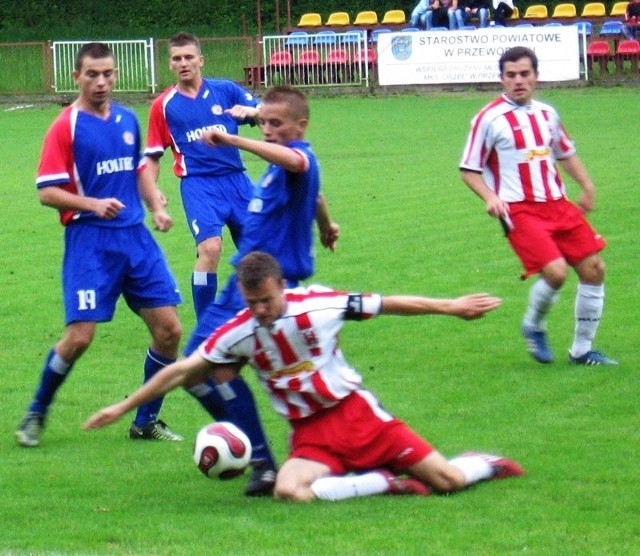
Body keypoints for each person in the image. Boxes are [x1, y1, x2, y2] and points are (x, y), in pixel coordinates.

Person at [84, 251, 524, 502]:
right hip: (311, 434)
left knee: (446, 481)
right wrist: (124, 406)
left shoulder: (318, 304)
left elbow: (386, 303)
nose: (260, 310)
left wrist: (451, 306)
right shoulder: (237, 333)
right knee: (290, 491)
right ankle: (388, 482)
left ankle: (483, 463)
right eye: (252, 302)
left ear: (282, 287)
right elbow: (183, 369)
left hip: (358, 415)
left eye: (267, 300)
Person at [16, 42, 184, 448]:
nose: (102, 81)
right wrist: (91, 203)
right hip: (90, 241)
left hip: (135, 239)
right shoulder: (65, 126)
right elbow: (47, 192)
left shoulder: (127, 118)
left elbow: (138, 167)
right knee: (79, 338)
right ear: (77, 77)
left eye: (108, 73)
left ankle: (145, 422)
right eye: (92, 74)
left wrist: (154, 202)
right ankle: (37, 411)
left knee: (170, 331)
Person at [180, 85, 339, 496]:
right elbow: (314, 192)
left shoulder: (294, 158)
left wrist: (233, 138)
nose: (267, 130)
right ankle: (259, 455)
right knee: (200, 373)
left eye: (276, 123)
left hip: (264, 290)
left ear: (300, 126)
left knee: (207, 369)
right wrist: (325, 225)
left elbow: (299, 161)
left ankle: (264, 460)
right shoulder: (279, 172)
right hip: (244, 284)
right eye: (262, 121)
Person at [460, 46, 617, 366]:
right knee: (556, 272)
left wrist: (586, 185)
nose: (518, 81)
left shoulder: (547, 114)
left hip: (557, 205)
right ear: (501, 79)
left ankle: (582, 351)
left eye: (525, 74)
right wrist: (491, 197)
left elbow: (565, 152)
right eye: (511, 75)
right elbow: (468, 169)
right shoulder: (488, 118)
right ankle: (533, 326)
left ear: (536, 76)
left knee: (594, 269)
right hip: (518, 210)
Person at [144, 32, 260, 321]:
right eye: (176, 58)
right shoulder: (163, 106)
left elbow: (267, 113)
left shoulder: (226, 90)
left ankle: (260, 317)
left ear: (201, 60)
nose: (183, 63)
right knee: (210, 249)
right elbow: (154, 155)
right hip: (199, 185)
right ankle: (207, 328)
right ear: (170, 64)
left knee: (258, 254)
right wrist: (153, 189)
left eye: (188, 57)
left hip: (237, 181)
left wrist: (254, 110)